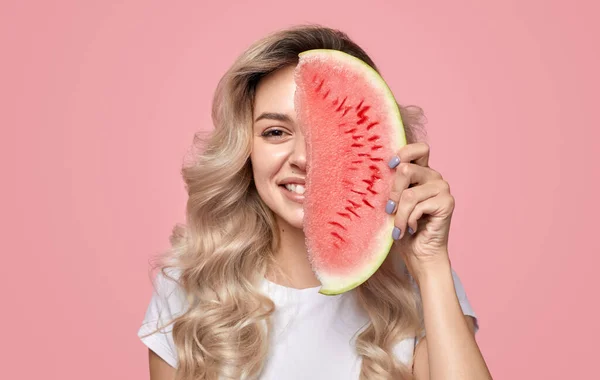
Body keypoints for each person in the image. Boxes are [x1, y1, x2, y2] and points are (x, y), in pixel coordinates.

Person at [137, 24, 492, 380]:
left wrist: (430, 264)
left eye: (333, 135)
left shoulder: (419, 285)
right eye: (275, 132)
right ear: (244, 150)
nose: (306, 158)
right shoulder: (188, 289)